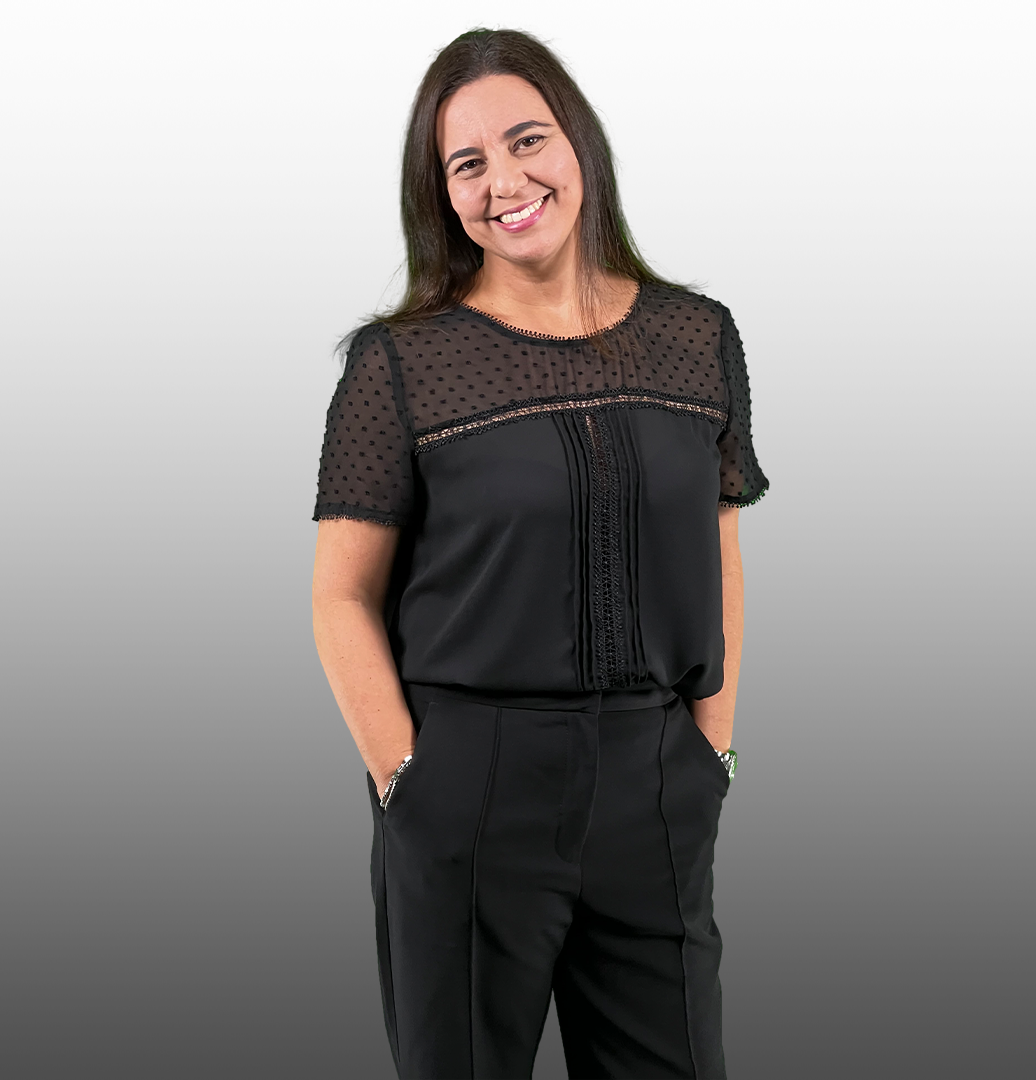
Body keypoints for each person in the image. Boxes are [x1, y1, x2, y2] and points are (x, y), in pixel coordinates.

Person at [311, 27, 768, 1080]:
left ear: (579, 144)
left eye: (527, 141)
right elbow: (340, 598)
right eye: (467, 164)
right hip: (470, 784)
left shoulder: (696, 338)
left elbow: (722, 550)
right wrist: (407, 781)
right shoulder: (400, 365)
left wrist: (712, 750)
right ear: (441, 196)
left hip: (657, 781)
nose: (505, 182)